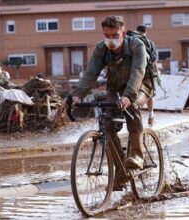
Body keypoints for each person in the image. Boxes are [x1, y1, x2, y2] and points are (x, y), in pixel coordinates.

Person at [66, 16, 149, 190]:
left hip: (141, 85)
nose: (111, 39)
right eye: (107, 35)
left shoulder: (136, 46)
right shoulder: (101, 49)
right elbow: (90, 74)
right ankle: (121, 173)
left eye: (115, 35)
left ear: (123, 33)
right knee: (107, 126)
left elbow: (138, 71)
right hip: (115, 88)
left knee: (132, 108)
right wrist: (77, 96)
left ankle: (137, 156)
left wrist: (129, 96)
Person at [135, 25, 158, 125]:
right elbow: (154, 60)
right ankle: (151, 117)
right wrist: (156, 73)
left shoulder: (132, 41)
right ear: (146, 32)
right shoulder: (150, 43)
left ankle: (136, 116)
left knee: (135, 93)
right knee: (149, 95)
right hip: (148, 73)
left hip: (135, 72)